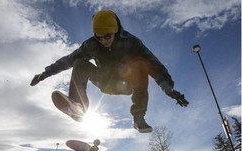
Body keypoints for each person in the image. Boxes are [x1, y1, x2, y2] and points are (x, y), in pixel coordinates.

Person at [31, 10, 189, 133]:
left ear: (116, 31)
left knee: (140, 64)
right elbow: (67, 60)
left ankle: (138, 116)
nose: (103, 41)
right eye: (99, 38)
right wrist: (44, 74)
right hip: (104, 81)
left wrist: (167, 87)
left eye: (107, 37)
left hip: (126, 84)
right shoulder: (91, 45)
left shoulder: (131, 42)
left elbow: (154, 64)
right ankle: (77, 107)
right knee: (79, 63)